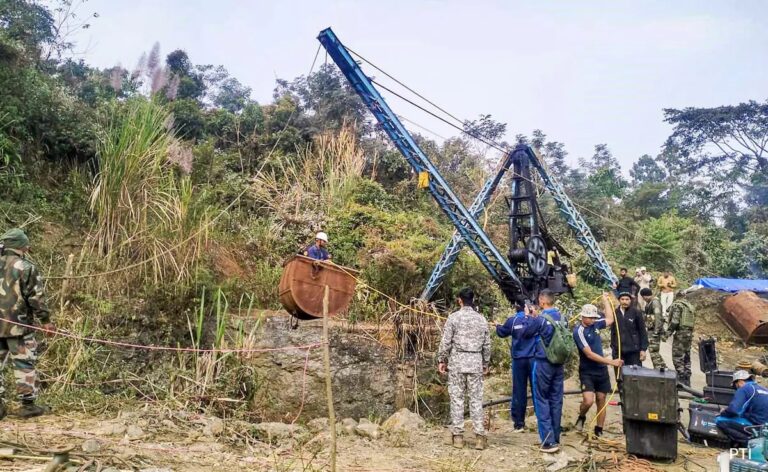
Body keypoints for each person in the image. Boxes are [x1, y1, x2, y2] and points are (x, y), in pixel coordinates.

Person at [0, 228, 53, 418]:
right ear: (21, 247)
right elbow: (36, 298)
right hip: (19, 327)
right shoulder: (26, 267)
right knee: (24, 363)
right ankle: (28, 405)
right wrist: (46, 320)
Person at [437, 288, 491, 450]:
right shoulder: (481, 319)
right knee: (475, 399)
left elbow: (446, 341)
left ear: (459, 300)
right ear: (472, 300)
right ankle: (480, 438)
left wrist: (442, 359)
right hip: (475, 362)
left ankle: (458, 437)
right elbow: (487, 344)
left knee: (457, 399)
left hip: (457, 362)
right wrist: (485, 363)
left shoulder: (453, 318)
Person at [520, 289, 564, 453]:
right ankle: (556, 437)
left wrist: (528, 317)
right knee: (556, 399)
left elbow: (525, 333)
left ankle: (547, 441)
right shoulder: (562, 317)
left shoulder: (541, 319)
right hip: (559, 364)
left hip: (543, 363)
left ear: (542, 301)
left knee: (542, 399)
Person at [573, 296, 623, 438]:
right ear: (583, 317)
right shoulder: (579, 331)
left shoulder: (596, 325)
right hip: (587, 371)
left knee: (601, 398)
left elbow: (610, 319)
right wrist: (611, 362)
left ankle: (599, 429)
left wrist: (606, 300)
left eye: (594, 317)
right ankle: (581, 416)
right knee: (588, 401)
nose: (593, 320)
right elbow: (589, 354)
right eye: (590, 318)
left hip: (601, 371)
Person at [495, 303, 535, 433]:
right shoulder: (536, 319)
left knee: (519, 391)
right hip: (534, 359)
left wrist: (497, 326)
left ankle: (519, 424)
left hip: (519, 360)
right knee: (537, 390)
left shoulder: (512, 321)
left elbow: (502, 333)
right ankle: (542, 422)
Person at [715, 371, 768, 447]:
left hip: (757, 427)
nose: (736, 389)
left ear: (740, 382)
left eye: (735, 386)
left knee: (719, 420)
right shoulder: (764, 389)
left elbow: (733, 410)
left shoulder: (745, 388)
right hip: (765, 427)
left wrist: (723, 412)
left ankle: (750, 443)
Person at [610, 292, 648, 378]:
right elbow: (613, 332)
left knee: (635, 377)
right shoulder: (615, 313)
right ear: (619, 300)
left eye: (627, 299)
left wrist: (643, 349)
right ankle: (621, 391)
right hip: (619, 352)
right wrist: (613, 347)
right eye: (622, 299)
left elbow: (642, 331)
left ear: (630, 300)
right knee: (619, 377)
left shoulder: (636, 313)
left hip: (633, 352)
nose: (625, 301)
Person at [666, 291, 695, 386]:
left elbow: (675, 321)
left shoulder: (677, 305)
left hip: (680, 333)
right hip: (689, 333)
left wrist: (668, 332)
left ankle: (681, 379)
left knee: (677, 356)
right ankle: (687, 379)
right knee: (686, 356)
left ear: (676, 296)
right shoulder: (689, 306)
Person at [641, 288, 667, 369]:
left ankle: (659, 368)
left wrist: (656, 332)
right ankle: (662, 367)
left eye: (643, 297)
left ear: (645, 296)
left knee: (653, 351)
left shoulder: (655, 302)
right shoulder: (650, 303)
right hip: (651, 329)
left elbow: (658, 317)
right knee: (653, 351)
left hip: (654, 331)